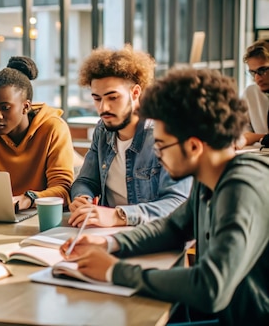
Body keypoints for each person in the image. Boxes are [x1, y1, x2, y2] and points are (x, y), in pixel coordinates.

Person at [60, 68, 269, 325]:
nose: (156, 155)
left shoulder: (241, 189)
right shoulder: (211, 180)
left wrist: (114, 271)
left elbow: (210, 287)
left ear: (193, 146)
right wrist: (109, 245)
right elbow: (172, 228)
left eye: (160, 145)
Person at [68, 45, 191, 228]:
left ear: (135, 93)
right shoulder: (103, 130)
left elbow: (177, 202)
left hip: (151, 237)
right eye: (97, 98)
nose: (103, 108)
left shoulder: (166, 134)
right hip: (103, 234)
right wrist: (82, 198)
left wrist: (118, 216)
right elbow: (86, 180)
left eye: (113, 98)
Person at [0, 56, 74, 210]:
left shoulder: (54, 128)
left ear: (26, 107)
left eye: (5, 107)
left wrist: (29, 199)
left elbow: (63, 190)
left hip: (40, 214)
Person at [240, 39, 269, 147]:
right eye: (253, 72)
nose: (257, 78)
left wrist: (257, 137)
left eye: (262, 70)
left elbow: (249, 138)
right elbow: (241, 133)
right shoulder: (251, 93)